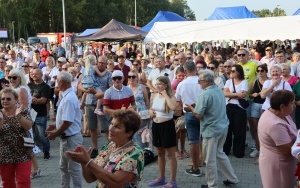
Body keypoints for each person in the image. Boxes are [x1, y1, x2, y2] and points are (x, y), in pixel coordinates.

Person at [186, 69, 239, 188]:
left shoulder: (204, 94)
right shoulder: (219, 91)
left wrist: (191, 108)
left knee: (209, 160)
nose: (199, 83)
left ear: (206, 81)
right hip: (223, 126)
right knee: (220, 154)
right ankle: (232, 178)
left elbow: (198, 115)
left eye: (200, 81)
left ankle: (212, 185)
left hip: (211, 130)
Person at [65, 109, 144, 187]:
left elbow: (116, 183)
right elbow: (90, 178)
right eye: (111, 124)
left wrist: (88, 162)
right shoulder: (110, 146)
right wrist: (84, 162)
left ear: (129, 133)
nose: (110, 129)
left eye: (117, 127)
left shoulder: (135, 153)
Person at [46, 71, 83, 188]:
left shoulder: (68, 98)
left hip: (71, 138)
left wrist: (55, 133)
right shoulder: (66, 96)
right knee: (64, 167)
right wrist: (55, 125)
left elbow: (68, 121)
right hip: (68, 138)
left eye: (57, 82)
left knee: (73, 168)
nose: (56, 84)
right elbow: (66, 119)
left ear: (61, 83)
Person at [258, 90, 297, 188]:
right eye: (292, 103)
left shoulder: (280, 114)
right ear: (282, 107)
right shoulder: (275, 124)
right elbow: (288, 150)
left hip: (280, 163)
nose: (294, 105)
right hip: (278, 166)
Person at [0, 88, 34, 188]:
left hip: (23, 153)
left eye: (8, 99)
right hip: (4, 156)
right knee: (7, 182)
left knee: (24, 181)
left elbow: (28, 126)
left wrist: (19, 117)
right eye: (2, 99)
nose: (5, 101)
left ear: (16, 100)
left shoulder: (23, 111)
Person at [148, 76, 178, 188]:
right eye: (157, 84)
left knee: (171, 155)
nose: (158, 86)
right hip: (156, 125)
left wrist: (165, 95)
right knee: (160, 153)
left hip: (167, 126)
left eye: (160, 84)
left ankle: (173, 180)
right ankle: (161, 177)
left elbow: (173, 107)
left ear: (166, 85)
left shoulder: (170, 96)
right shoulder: (155, 95)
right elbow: (152, 108)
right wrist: (151, 112)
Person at [223, 64, 248, 158]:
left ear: (239, 72)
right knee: (227, 130)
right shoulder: (229, 81)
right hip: (229, 107)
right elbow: (224, 93)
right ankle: (226, 150)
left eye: (233, 71)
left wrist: (231, 94)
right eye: (231, 70)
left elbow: (243, 95)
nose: (231, 72)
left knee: (239, 131)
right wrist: (237, 94)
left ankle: (238, 152)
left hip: (239, 109)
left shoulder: (244, 82)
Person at [28, 68, 51, 160]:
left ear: (41, 75)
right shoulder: (29, 85)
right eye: (32, 74)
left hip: (40, 114)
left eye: (36, 74)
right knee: (30, 134)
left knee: (42, 134)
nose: (33, 75)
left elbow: (43, 100)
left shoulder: (46, 87)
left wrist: (33, 99)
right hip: (30, 113)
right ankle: (30, 152)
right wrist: (32, 99)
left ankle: (46, 151)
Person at [248, 64, 268, 160]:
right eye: (258, 71)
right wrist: (253, 94)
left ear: (266, 71)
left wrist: (260, 93)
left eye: (262, 70)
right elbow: (250, 94)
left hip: (266, 106)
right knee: (255, 128)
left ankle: (265, 150)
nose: (260, 72)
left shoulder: (269, 81)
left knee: (264, 129)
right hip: (255, 105)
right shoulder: (255, 81)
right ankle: (258, 148)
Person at [127, 70, 150, 148]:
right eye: (129, 77)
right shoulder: (126, 89)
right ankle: (138, 151)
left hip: (142, 114)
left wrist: (149, 112)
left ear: (137, 78)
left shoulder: (142, 87)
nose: (131, 78)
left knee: (142, 133)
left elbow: (147, 100)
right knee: (133, 134)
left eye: (133, 76)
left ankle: (144, 151)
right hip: (131, 115)